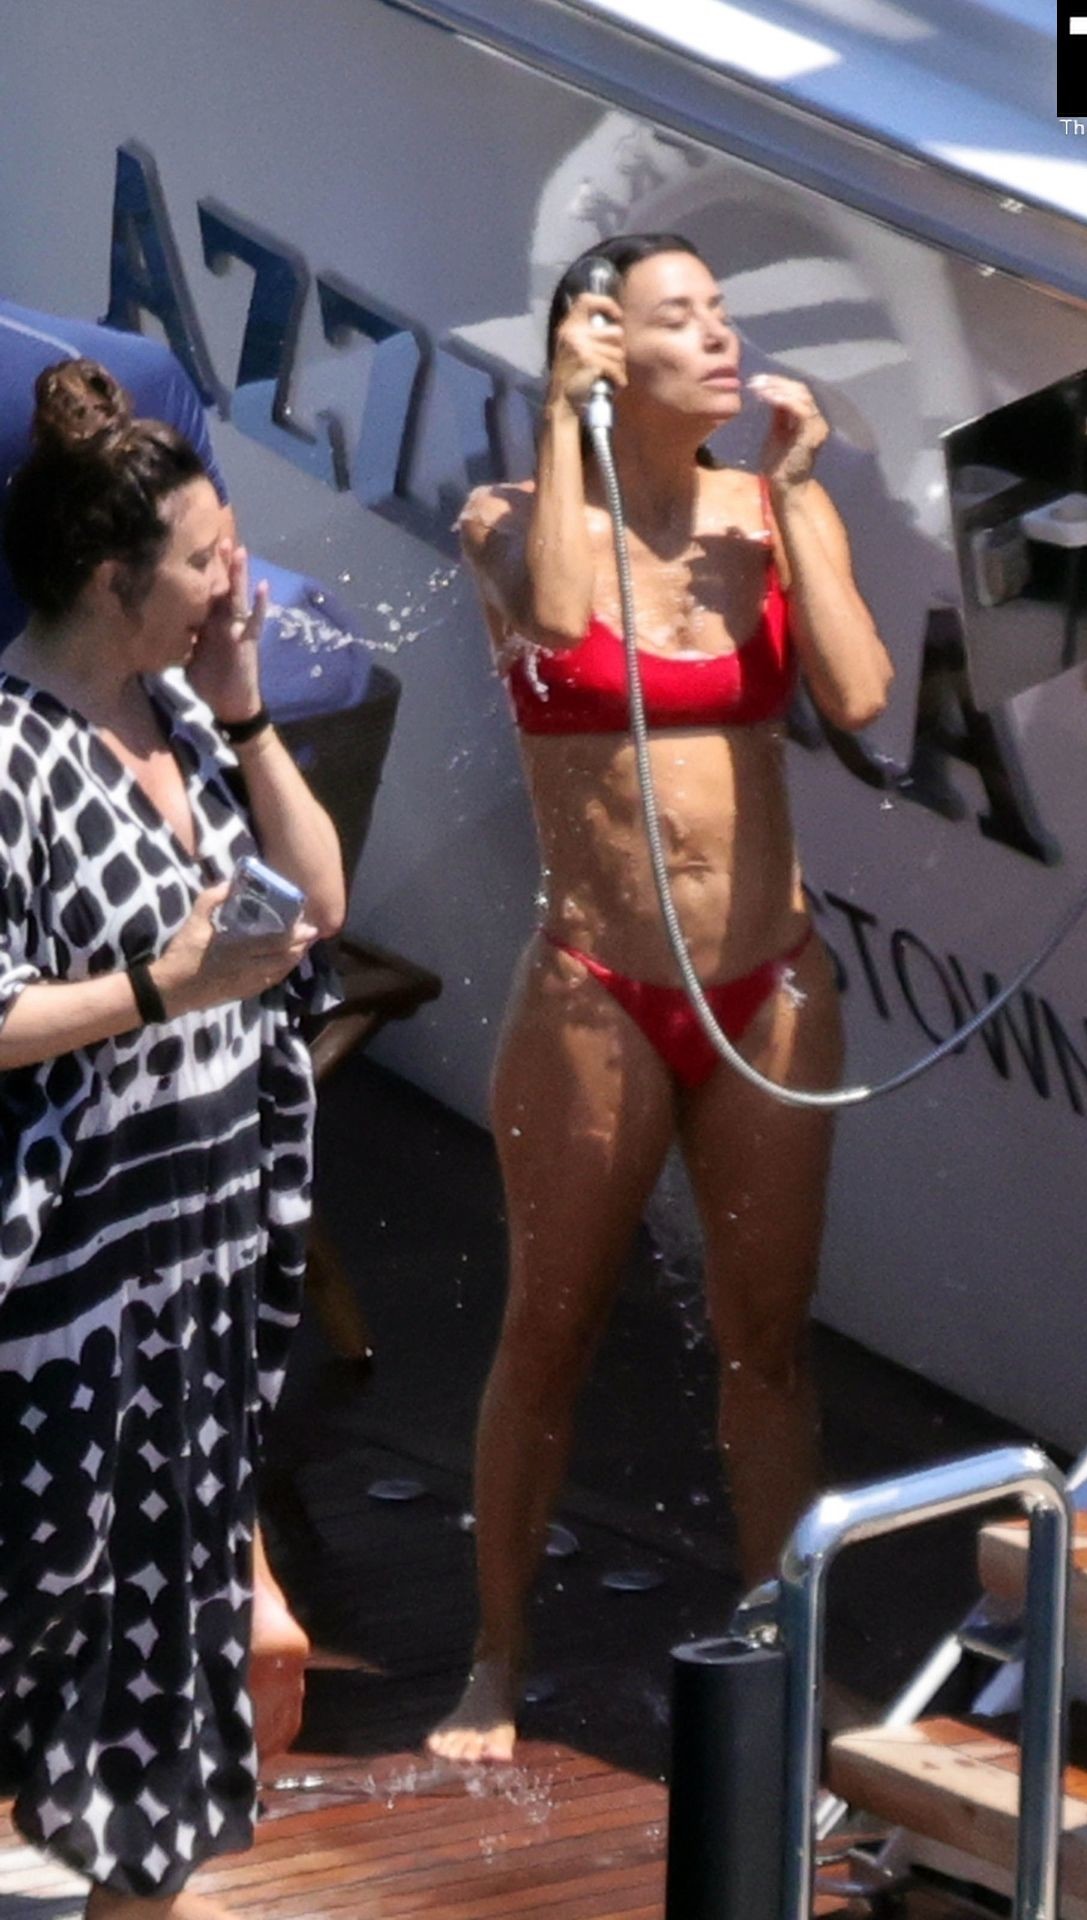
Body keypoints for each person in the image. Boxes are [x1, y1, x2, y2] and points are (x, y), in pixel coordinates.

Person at [431, 233, 894, 1763]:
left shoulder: (766, 514)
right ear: (600, 343)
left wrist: (802, 494)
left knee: (770, 1340)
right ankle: (495, 1660)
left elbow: (861, 693)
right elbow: (566, 625)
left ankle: (789, 1653)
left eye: (722, 312)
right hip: (597, 989)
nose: (720, 337)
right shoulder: (507, 520)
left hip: (769, 979)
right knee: (549, 1331)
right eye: (679, 318)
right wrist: (564, 419)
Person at [0, 358, 345, 1917]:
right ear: (108, 576)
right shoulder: (10, 754)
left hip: (193, 1297)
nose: (235, 581)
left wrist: (251, 713)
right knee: (31, 1654)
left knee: (153, 1742)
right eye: (207, 559)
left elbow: (318, 904)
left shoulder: (186, 714)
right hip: (57, 1318)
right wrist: (161, 986)